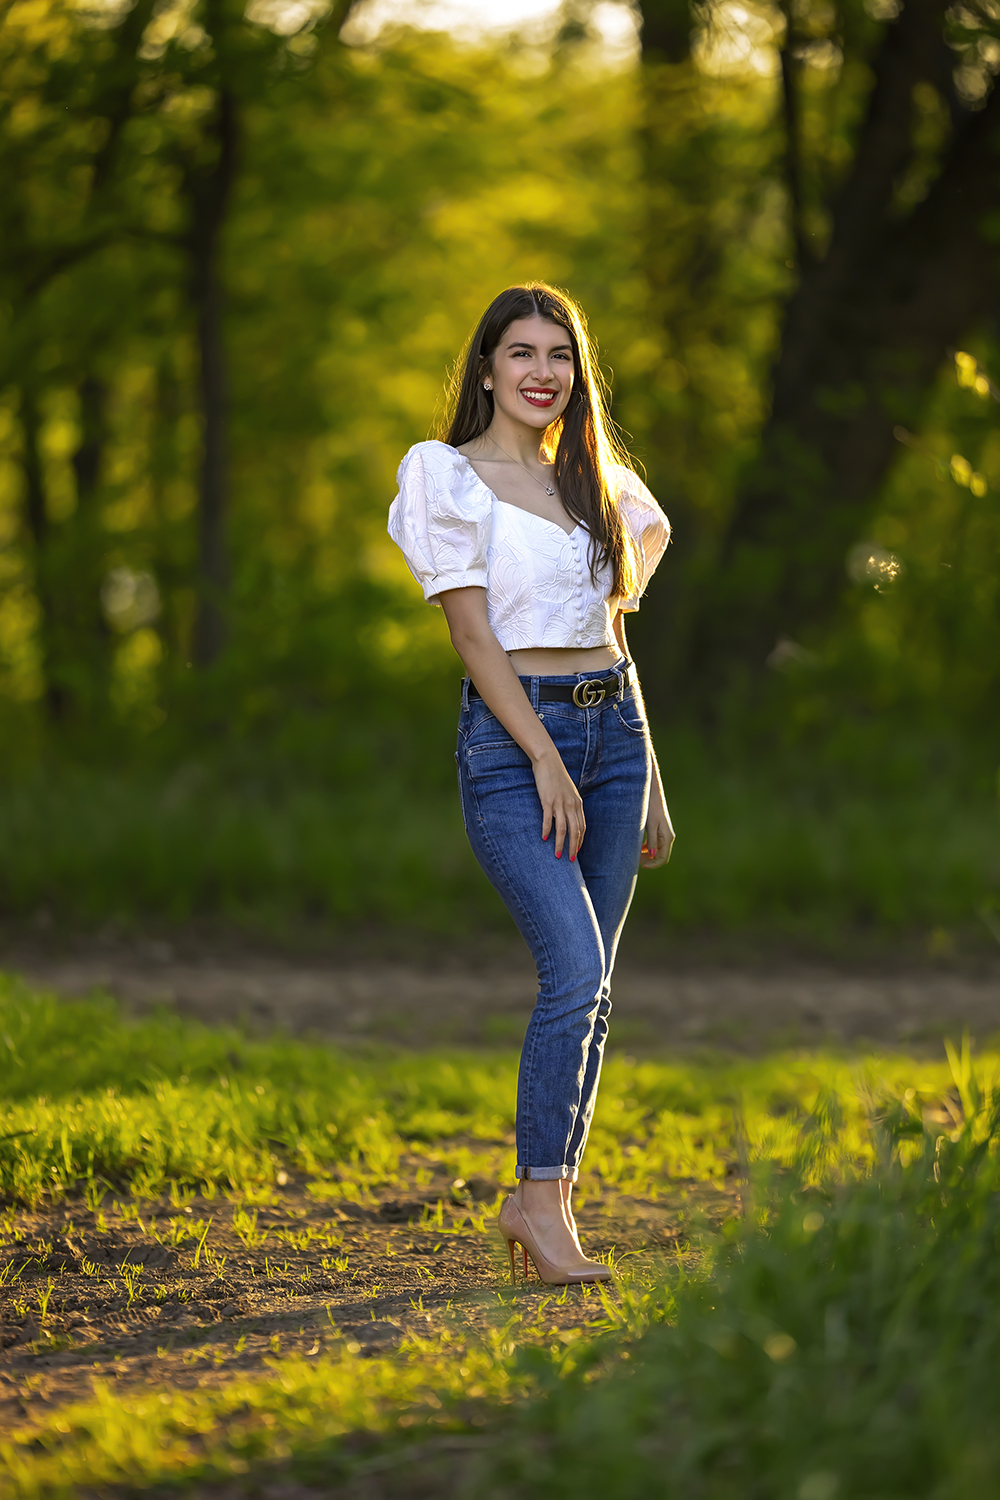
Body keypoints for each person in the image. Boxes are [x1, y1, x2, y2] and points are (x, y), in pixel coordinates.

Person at [388, 282, 674, 1286]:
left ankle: (546, 1198)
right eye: (521, 353)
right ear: (485, 368)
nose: (542, 372)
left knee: (595, 992)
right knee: (570, 974)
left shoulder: (597, 482)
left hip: (617, 731)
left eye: (559, 354)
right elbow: (472, 637)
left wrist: (651, 781)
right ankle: (539, 1203)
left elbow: (615, 631)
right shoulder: (445, 476)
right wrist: (547, 759)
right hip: (518, 750)